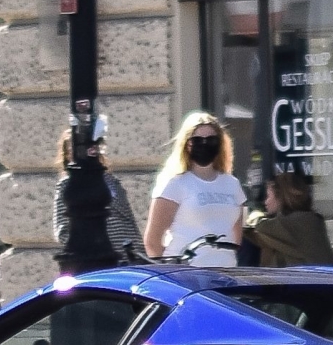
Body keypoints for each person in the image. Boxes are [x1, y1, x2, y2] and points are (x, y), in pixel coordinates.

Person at [145, 112, 246, 266]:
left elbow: (235, 238)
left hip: (226, 273)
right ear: (186, 144)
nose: (204, 145)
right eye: (197, 140)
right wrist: (171, 272)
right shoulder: (174, 184)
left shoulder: (232, 184)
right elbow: (152, 242)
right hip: (187, 275)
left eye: (211, 140)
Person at [49, 122, 145, 268]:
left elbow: (128, 220)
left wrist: (138, 252)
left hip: (127, 258)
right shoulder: (67, 185)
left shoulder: (111, 181)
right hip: (95, 259)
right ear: (68, 154)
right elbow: (62, 230)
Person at [247, 171, 333, 269]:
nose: (265, 202)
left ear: (280, 197)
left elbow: (261, 227)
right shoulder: (311, 220)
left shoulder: (296, 223)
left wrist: (253, 215)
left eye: (268, 196)